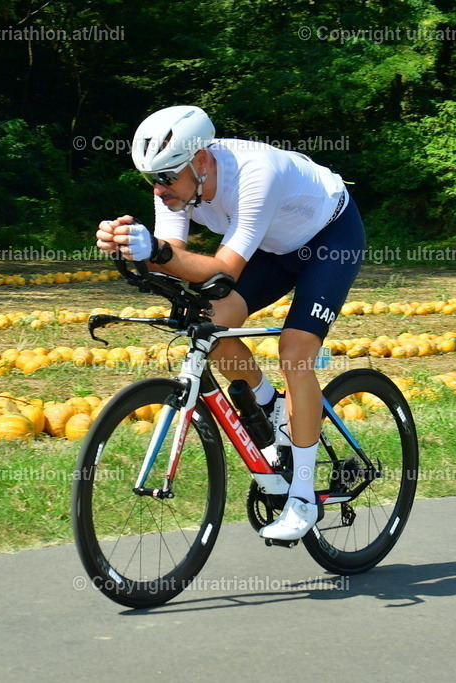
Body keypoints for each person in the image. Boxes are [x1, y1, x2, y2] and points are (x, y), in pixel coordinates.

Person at [95, 105, 365, 541]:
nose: (160, 190)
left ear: (201, 161)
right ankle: (273, 407)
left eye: (167, 177)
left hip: (329, 240)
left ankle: (302, 499)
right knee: (210, 323)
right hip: (275, 249)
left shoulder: (256, 173)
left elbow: (222, 270)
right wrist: (130, 247)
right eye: (152, 180)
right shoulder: (176, 183)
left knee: (295, 352)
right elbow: (174, 258)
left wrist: (156, 251)